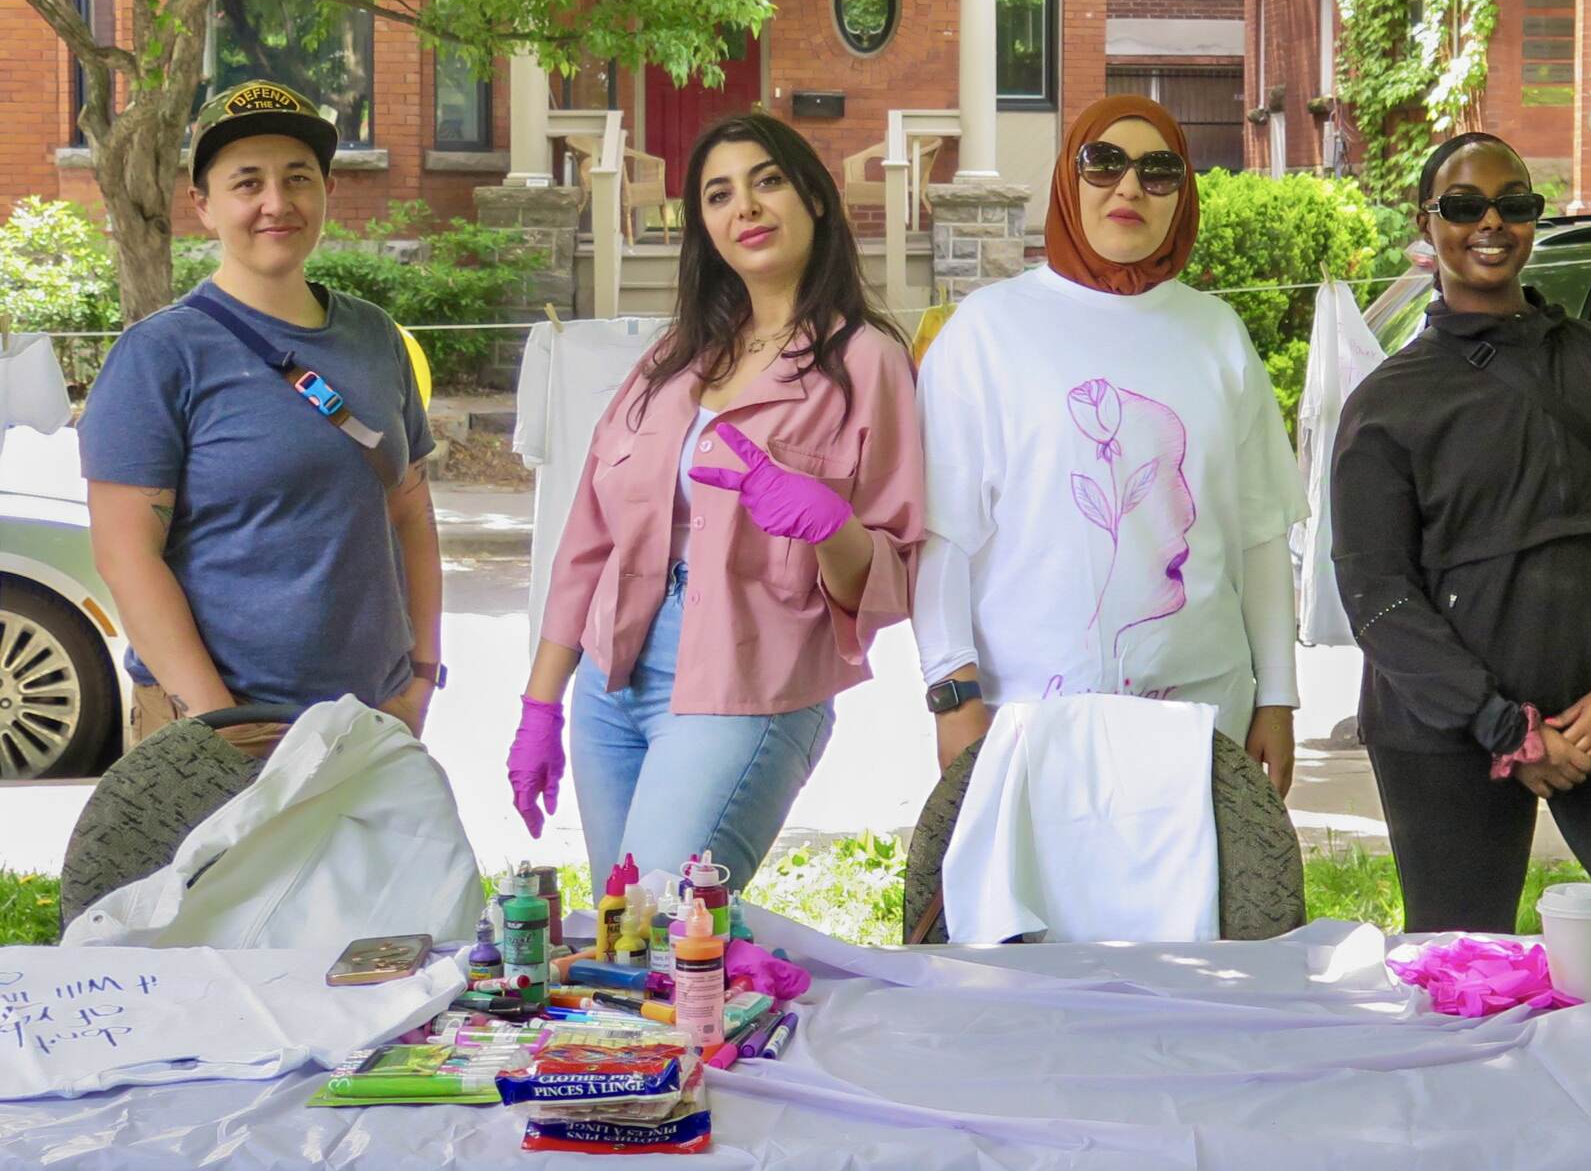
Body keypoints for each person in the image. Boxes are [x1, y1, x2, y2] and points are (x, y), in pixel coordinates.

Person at [1329, 132, 1591, 1017]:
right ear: (1428, 226)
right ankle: (1478, 1156)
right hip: (1449, 733)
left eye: (1513, 205)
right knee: (1466, 984)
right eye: (1463, 207)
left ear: (1535, 219)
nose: (1490, 223)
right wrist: (1500, 727)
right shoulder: (1387, 405)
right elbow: (1378, 596)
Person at [509, 112, 925, 891]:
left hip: (746, 684)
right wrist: (541, 705)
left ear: (816, 199)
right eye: (719, 194)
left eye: (768, 181)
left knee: (666, 924)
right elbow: (586, 543)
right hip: (612, 681)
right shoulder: (671, 360)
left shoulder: (867, 362)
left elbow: (894, 575)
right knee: (624, 940)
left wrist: (834, 528)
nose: (747, 208)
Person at [914, 95, 1302, 785]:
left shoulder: (1217, 335)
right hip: (1026, 722)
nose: (1129, 187)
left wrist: (1276, 696)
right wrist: (953, 695)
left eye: (1159, 171)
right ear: (1069, 177)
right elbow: (945, 535)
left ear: (1181, 195)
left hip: (1203, 725)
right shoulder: (986, 332)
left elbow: (1260, 534)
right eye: (1104, 163)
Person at [84, 81, 443, 755]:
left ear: (326, 190)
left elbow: (411, 514)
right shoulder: (161, 355)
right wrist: (226, 729)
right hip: (218, 728)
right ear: (203, 205)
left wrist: (422, 680)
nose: (276, 203)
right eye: (247, 183)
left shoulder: (375, 338)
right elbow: (127, 556)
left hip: (372, 721)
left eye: (297, 178)